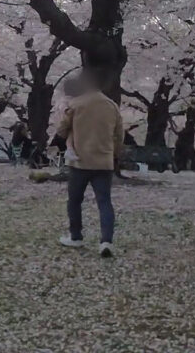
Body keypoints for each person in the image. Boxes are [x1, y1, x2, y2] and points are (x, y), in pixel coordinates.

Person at [53, 70, 123, 258]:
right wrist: (114, 155)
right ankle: (106, 241)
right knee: (105, 202)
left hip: (80, 162)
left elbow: (61, 130)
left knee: (75, 200)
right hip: (104, 162)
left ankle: (76, 236)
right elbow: (119, 135)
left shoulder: (76, 104)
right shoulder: (112, 106)